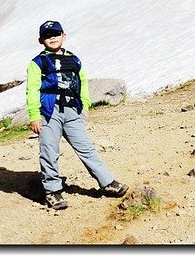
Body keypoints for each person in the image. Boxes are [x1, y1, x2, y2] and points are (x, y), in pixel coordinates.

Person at [27, 20, 129, 210]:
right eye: (48, 36)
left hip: (72, 110)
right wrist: (34, 115)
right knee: (49, 151)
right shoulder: (37, 63)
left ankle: (107, 182)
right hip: (49, 112)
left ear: (64, 36)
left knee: (86, 148)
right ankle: (52, 191)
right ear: (41, 40)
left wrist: (85, 106)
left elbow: (82, 82)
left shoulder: (74, 59)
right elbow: (32, 89)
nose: (53, 38)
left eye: (56, 34)